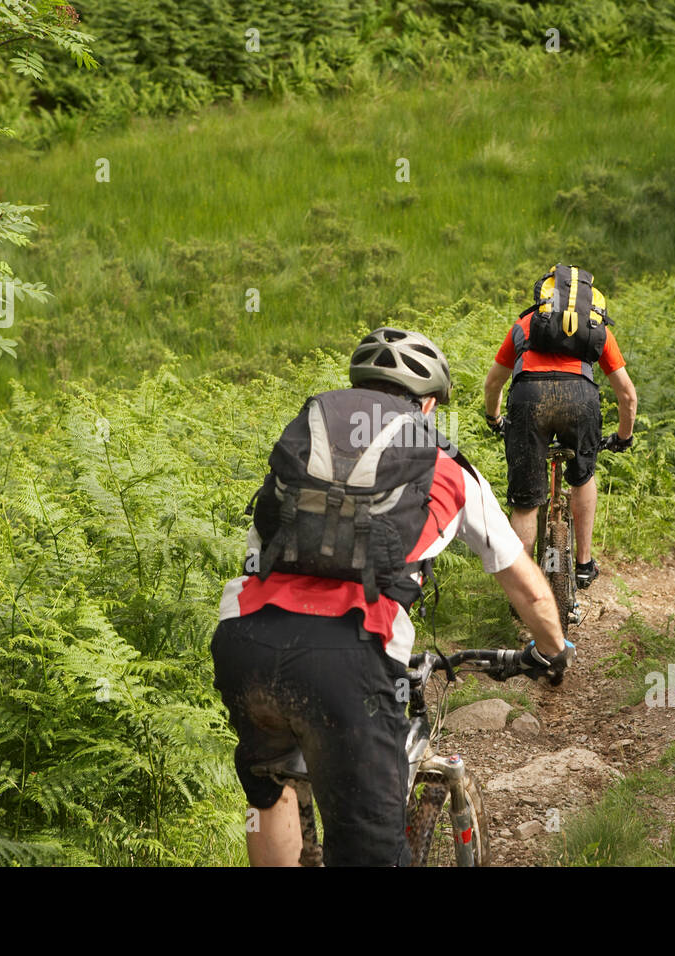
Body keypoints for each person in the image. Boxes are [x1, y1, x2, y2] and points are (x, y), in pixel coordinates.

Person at [211, 327, 574, 867]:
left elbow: (257, 553)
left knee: (270, 789)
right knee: (372, 852)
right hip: (347, 656)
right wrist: (554, 649)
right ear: (427, 403)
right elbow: (523, 581)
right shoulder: (445, 464)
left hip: (246, 644)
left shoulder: (307, 455)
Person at [482, 266, 638, 591]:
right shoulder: (596, 327)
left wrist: (494, 418)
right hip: (579, 400)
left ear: (544, 298)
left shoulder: (524, 325)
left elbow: (494, 382)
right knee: (582, 477)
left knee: (525, 502)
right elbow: (627, 394)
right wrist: (624, 436)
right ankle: (583, 564)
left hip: (528, 399)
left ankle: (522, 588)